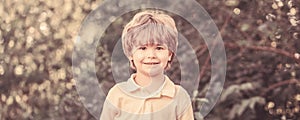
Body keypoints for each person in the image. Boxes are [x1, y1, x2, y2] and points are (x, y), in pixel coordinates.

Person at [100, 10, 194, 120]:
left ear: (170, 54)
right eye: (142, 48)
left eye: (159, 48)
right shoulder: (117, 94)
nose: (151, 55)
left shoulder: (179, 96)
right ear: (131, 54)